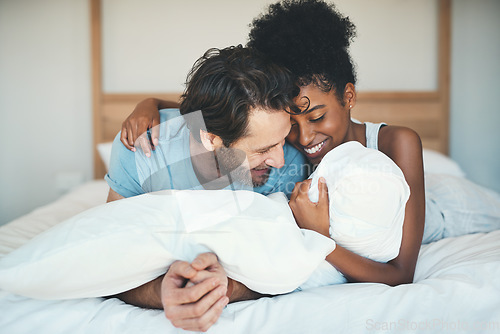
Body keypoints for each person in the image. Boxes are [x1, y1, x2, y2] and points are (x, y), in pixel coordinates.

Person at [119, 0, 500, 330]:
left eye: (316, 116)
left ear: (349, 96)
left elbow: (401, 275)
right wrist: (151, 103)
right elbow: (227, 111)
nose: (302, 139)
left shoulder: (396, 142)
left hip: (440, 208)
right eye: (291, 124)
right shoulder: (283, 141)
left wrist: (317, 238)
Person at [105, 45, 309, 332]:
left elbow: (294, 266)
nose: (280, 159)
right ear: (211, 138)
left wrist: (227, 289)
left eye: (283, 140)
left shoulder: (288, 168)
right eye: (264, 149)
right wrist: (158, 292)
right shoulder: (141, 151)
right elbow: (108, 257)